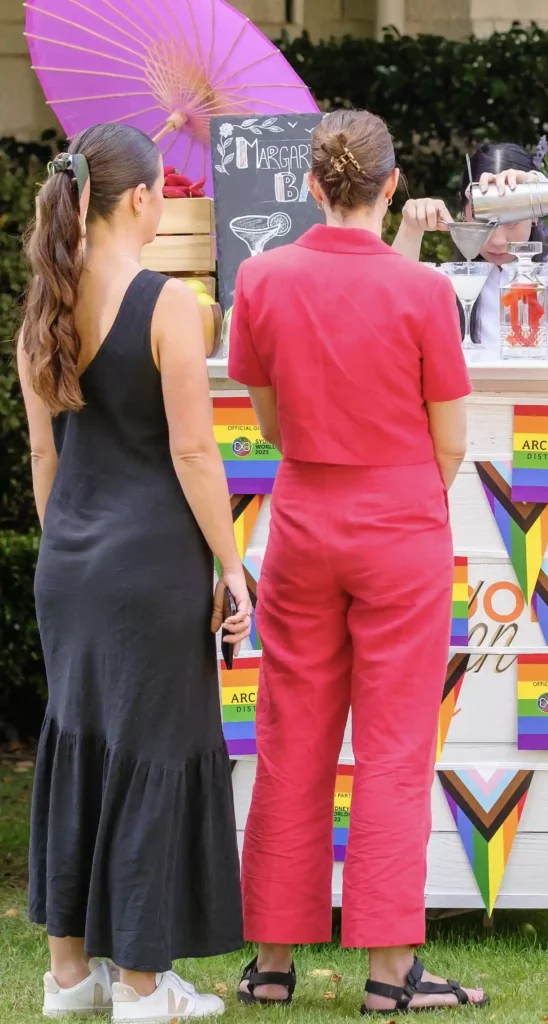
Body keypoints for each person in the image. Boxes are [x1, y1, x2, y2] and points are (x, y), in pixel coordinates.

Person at [228, 109, 489, 1014]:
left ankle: (269, 965)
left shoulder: (258, 278)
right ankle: (388, 976)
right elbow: (450, 442)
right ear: (390, 191)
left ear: (308, 186)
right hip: (399, 524)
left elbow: (265, 423)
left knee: (289, 736)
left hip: (301, 520)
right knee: (391, 749)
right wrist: (404, 489)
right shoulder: (423, 294)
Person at [19, 123, 251, 1021]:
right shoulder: (169, 308)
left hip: (68, 568)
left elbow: (46, 459)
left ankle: (70, 980)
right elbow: (195, 456)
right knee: (150, 759)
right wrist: (231, 570)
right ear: (143, 201)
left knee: (77, 752)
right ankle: (146, 990)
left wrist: (72, 547)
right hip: (153, 568)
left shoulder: (41, 307)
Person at [392, 141, 548, 344]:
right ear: (464, 214)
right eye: (484, 222)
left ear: (534, 215)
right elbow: (392, 304)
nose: (498, 241)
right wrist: (411, 228)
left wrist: (538, 186)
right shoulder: (451, 282)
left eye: (511, 222)